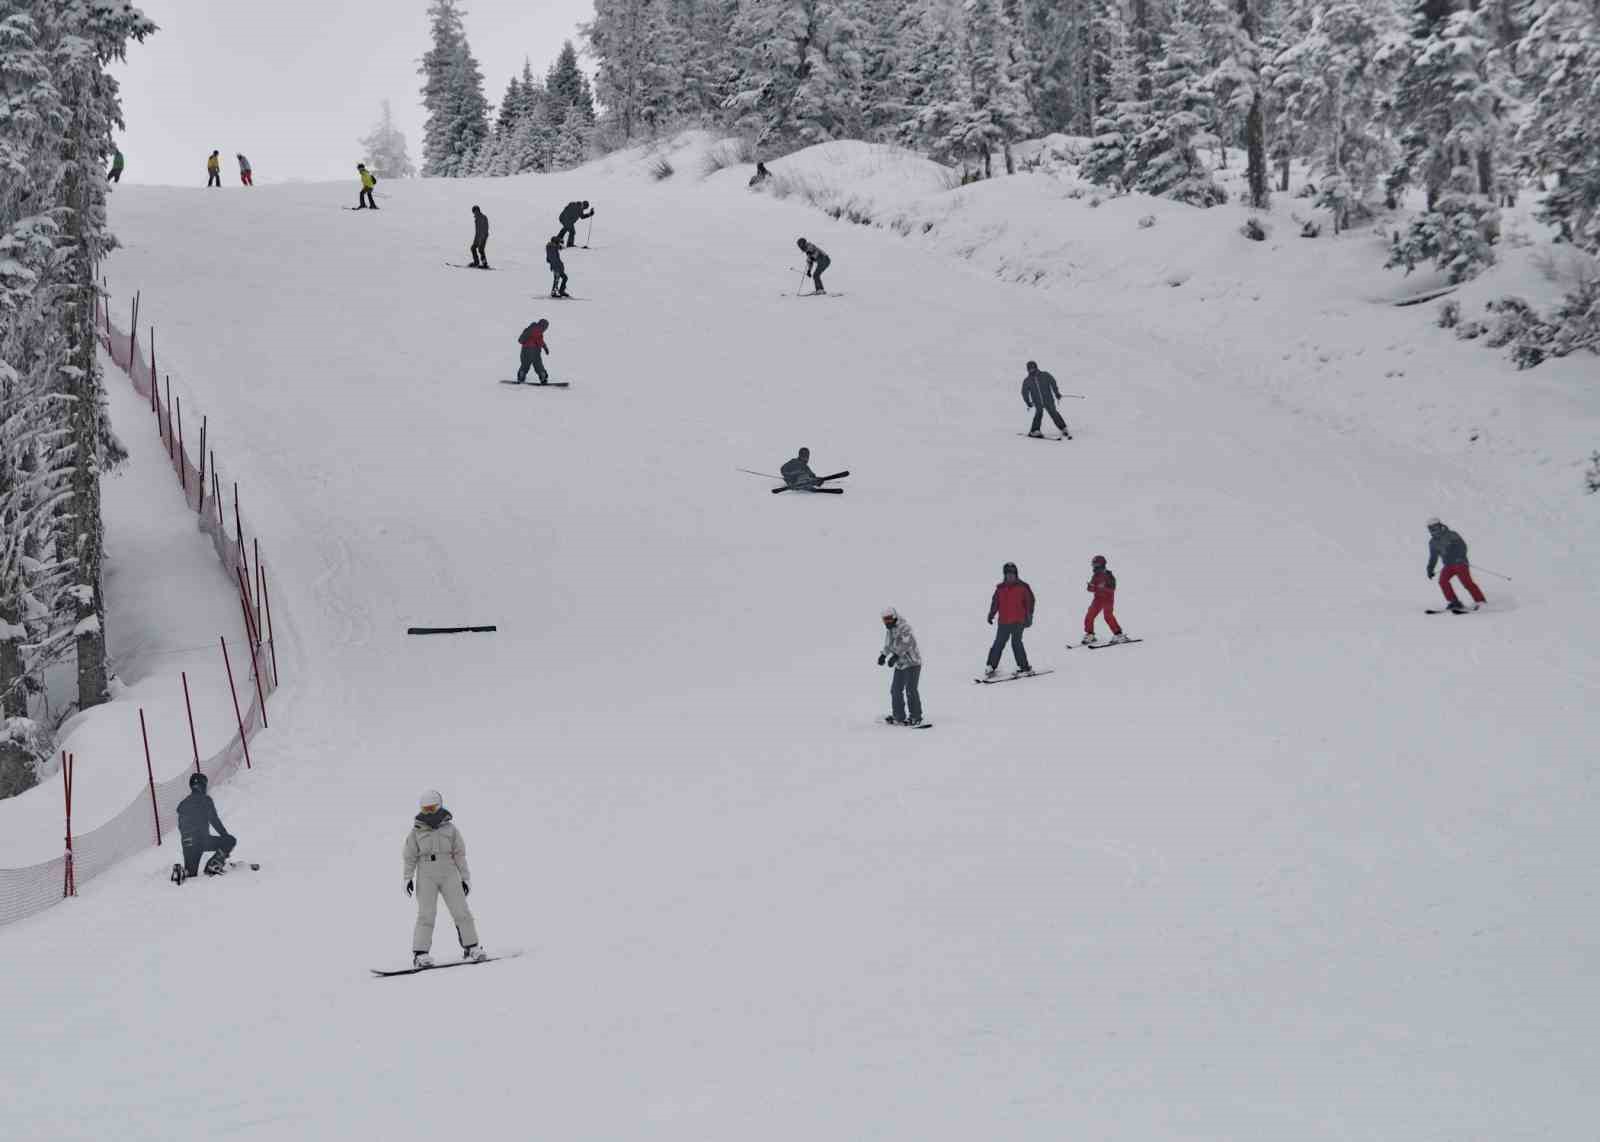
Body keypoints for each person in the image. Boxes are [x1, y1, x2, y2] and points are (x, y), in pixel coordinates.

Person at [402, 790, 485, 968]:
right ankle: (420, 954)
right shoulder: (416, 832)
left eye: (432, 808)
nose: (429, 813)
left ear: (439, 806)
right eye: (425, 809)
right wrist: (407, 878)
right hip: (426, 874)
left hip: (449, 872)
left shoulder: (451, 830)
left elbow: (459, 854)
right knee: (426, 914)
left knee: (461, 911)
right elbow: (409, 856)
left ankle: (472, 947)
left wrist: (465, 878)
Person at [174, 772, 236, 880]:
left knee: (191, 875)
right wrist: (226, 837)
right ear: (203, 785)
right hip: (202, 840)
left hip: (187, 843)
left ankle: (181, 872)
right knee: (230, 841)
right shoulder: (205, 800)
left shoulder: (183, 804)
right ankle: (214, 864)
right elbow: (214, 821)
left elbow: (181, 826)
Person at [985, 561, 1035, 678]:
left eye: (1012, 573)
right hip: (1004, 622)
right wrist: (991, 614)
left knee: (1016, 643)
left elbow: (1030, 602)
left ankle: (1024, 666)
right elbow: (995, 603)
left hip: (1019, 621)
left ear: (1016, 574)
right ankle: (991, 666)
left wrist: (1029, 616)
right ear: (1004, 575)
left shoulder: (1023, 587)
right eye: (1008, 574)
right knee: (998, 644)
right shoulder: (1000, 588)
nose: (1010, 576)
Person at [1426, 517, 1486, 613]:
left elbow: (1462, 546)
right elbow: (1433, 557)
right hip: (1448, 565)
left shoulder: (1451, 535)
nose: (1434, 531)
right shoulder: (1433, 542)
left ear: (1440, 526)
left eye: (1435, 528)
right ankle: (1454, 601)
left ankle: (1480, 601)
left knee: (1466, 582)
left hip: (1460, 562)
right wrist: (1430, 569)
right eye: (1431, 529)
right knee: (1442, 581)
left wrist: (1459, 556)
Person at [879, 608, 924, 726]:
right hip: (900, 665)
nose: (887, 622)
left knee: (910, 690)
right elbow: (888, 644)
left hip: (912, 663)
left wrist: (895, 655)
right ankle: (898, 716)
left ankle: (916, 716)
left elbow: (906, 644)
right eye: (885, 619)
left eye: (889, 619)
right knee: (895, 690)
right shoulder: (890, 630)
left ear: (894, 617)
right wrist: (883, 655)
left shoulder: (904, 627)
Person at [1082, 555, 1130, 645]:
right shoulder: (1095, 576)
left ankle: (1119, 635)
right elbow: (1091, 589)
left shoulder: (1109, 575)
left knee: (1108, 616)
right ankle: (1090, 634)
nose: (1093, 567)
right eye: (1093, 565)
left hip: (1108, 598)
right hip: (1098, 599)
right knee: (1090, 615)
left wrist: (1103, 588)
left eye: (1095, 565)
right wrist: (1090, 587)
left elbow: (1112, 588)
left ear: (1100, 565)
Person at [1022, 360, 1070, 438]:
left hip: (1048, 400)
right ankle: (1034, 430)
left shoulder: (1045, 375)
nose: (1031, 370)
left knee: (1053, 412)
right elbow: (1024, 392)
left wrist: (1056, 393)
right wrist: (1028, 402)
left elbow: (1053, 383)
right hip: (1037, 402)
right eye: (1030, 369)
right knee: (1039, 413)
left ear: (1036, 367)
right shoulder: (1027, 380)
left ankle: (1063, 428)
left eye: (1033, 368)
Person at [515, 317, 551, 384]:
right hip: (530, 350)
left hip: (529, 351)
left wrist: (545, 347)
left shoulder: (536, 330)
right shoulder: (532, 330)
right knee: (538, 365)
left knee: (525, 365)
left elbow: (540, 341)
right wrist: (544, 347)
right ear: (542, 325)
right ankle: (543, 378)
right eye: (545, 327)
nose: (545, 329)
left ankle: (521, 377)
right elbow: (521, 339)